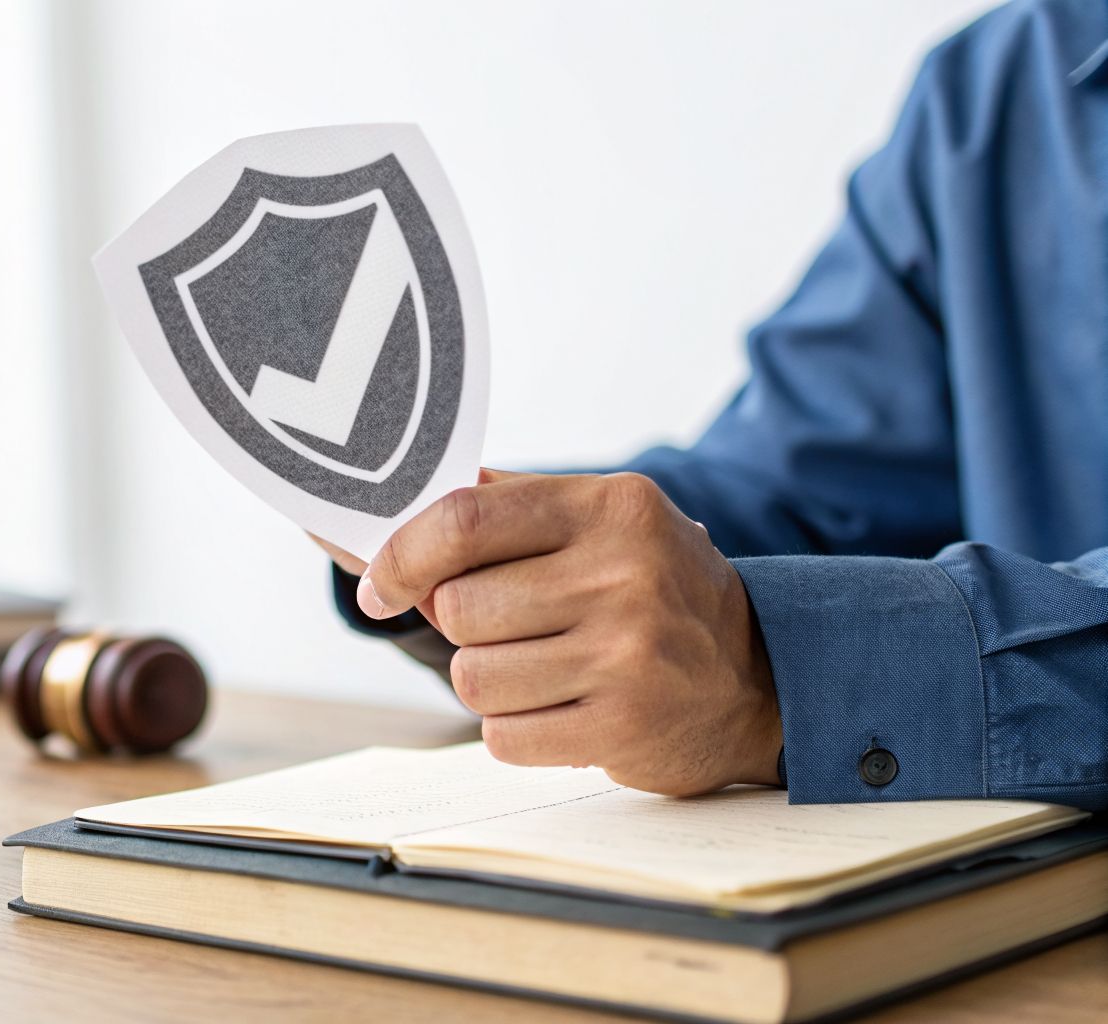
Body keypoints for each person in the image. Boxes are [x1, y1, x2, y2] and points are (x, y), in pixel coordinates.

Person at [322, 0, 1107, 813]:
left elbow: (752, 626)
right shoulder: (995, 87)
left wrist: (779, 667)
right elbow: (803, 484)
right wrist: (478, 531)